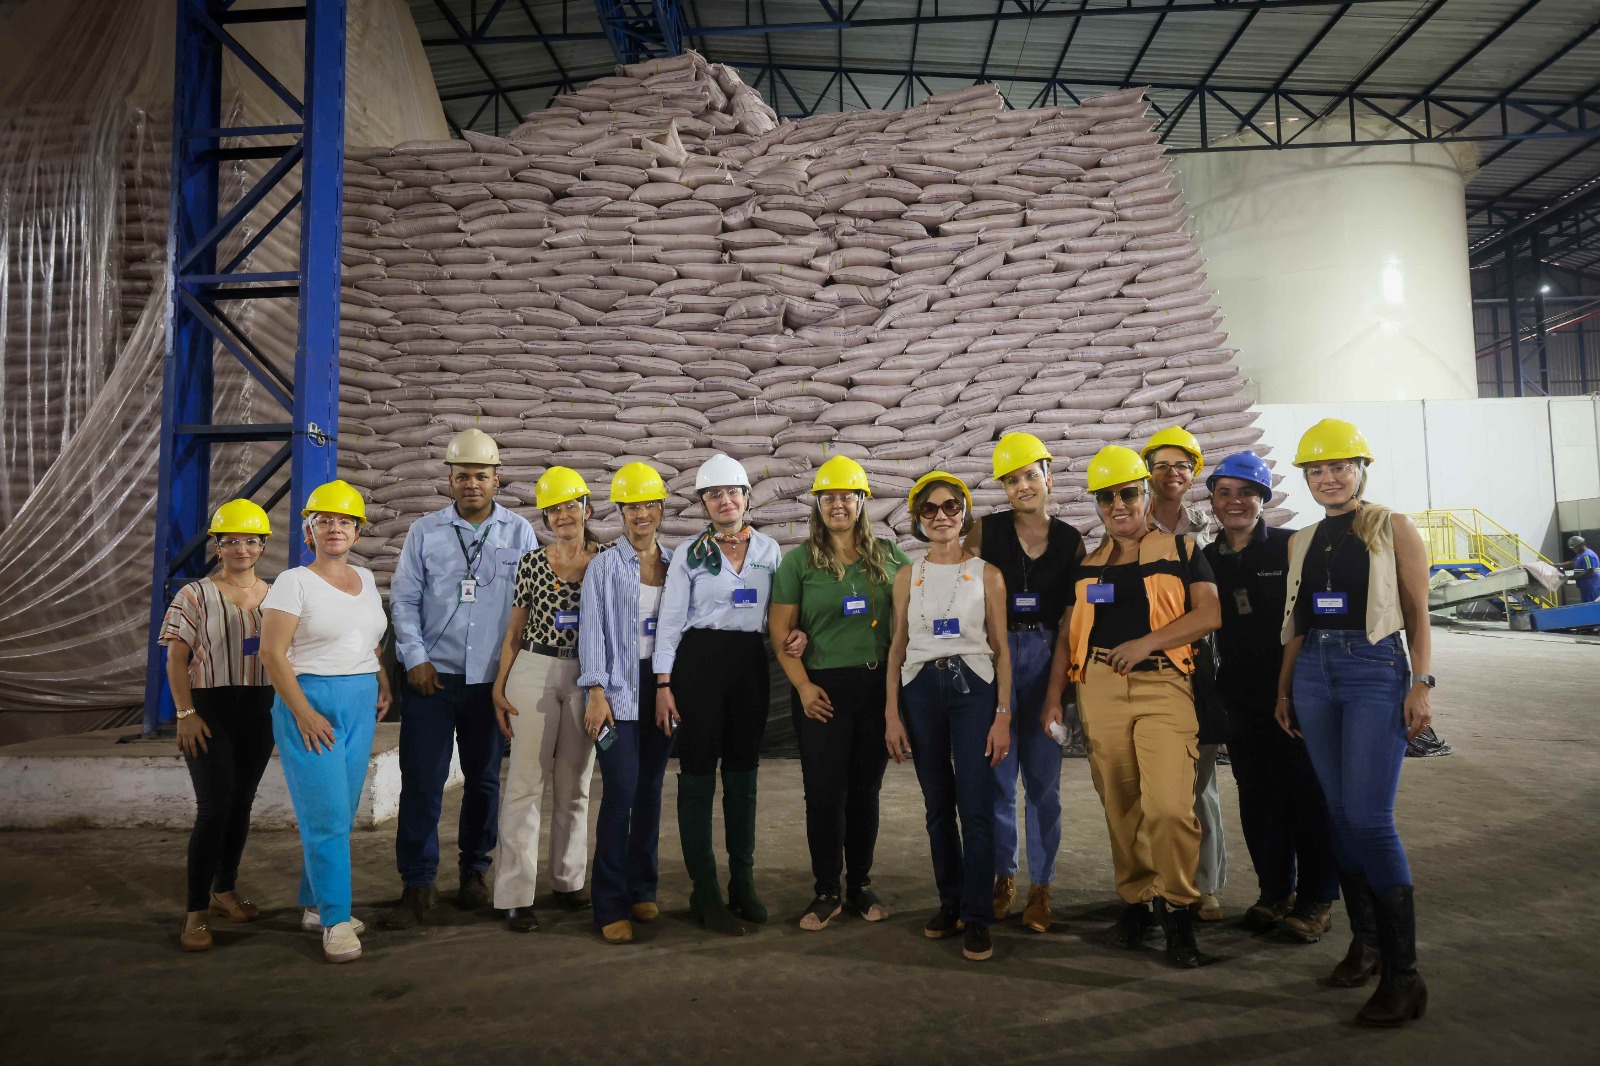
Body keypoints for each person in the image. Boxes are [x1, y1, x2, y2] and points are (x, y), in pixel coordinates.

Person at [1277, 419, 1434, 1026]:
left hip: (1375, 670)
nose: (1327, 478)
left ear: (1361, 469)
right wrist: (1285, 686)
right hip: (1315, 671)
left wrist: (1421, 684)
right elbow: (1296, 619)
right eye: (1315, 470)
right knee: (1339, 815)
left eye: (1339, 467)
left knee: (1370, 818)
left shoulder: (1393, 527)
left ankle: (1405, 975)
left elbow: (1419, 614)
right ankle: (1366, 944)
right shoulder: (1303, 539)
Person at [1041, 445, 1221, 969]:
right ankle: (1137, 902)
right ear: (1096, 504)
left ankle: (1180, 910)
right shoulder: (1089, 565)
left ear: (1145, 495)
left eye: (1127, 493)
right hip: (1098, 686)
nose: (1118, 505)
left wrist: (1147, 643)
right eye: (1106, 497)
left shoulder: (1184, 551)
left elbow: (1209, 614)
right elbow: (1065, 637)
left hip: (1165, 686)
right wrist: (1054, 697)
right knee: (1121, 806)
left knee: (1169, 806)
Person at [385, 429, 538, 929]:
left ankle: (474, 872)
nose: (472, 483)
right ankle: (418, 882)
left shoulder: (519, 533)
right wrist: (414, 658)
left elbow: (529, 606)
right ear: (449, 480)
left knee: (485, 782)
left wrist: (512, 675)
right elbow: (404, 601)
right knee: (423, 783)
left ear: (498, 479)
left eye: (481, 475)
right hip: (433, 679)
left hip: (492, 683)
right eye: (463, 475)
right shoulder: (424, 532)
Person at [1202, 452, 1339, 943]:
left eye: (1246, 493)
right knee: (1258, 797)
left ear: (1264, 498)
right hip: (1237, 693)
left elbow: (1308, 620)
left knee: (1307, 794)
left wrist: (1289, 689)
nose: (1235, 502)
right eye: (1224, 493)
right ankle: (1274, 892)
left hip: (1295, 689)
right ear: (1213, 503)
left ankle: (1318, 899)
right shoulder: (1208, 558)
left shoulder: (1289, 547)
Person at [770, 456, 911, 932]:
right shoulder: (799, 562)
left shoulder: (890, 556)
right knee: (825, 794)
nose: (838, 504)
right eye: (828, 496)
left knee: (865, 792)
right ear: (817, 504)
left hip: (874, 687)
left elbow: (917, 613)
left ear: (862, 502)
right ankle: (826, 888)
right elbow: (780, 633)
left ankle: (861, 884)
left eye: (847, 495)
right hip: (822, 692)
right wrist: (804, 686)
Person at [259, 480, 393, 965]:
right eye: (325, 520)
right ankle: (337, 920)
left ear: (358, 531)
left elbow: (367, 637)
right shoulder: (294, 582)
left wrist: (380, 678)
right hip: (309, 700)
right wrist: (303, 711)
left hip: (358, 699)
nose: (335, 528)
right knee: (327, 818)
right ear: (309, 529)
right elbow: (272, 654)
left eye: (345, 521)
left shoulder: (365, 580)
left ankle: (315, 904)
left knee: (340, 808)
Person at [654, 453, 787, 937]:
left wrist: (796, 636)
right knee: (697, 775)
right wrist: (664, 685)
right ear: (704, 503)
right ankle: (704, 890)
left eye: (733, 492)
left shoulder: (770, 551)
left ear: (747, 498)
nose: (725, 500)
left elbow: (781, 615)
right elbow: (669, 626)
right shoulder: (689, 554)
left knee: (742, 775)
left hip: (750, 667)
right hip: (698, 669)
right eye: (714, 494)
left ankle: (742, 883)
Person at [885, 471, 1013, 963]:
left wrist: (1002, 715)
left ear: (965, 512)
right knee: (937, 804)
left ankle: (978, 917)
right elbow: (897, 647)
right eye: (930, 509)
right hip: (920, 691)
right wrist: (892, 714)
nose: (941, 517)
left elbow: (1000, 650)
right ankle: (951, 903)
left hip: (973, 690)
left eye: (951, 507)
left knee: (975, 805)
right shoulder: (907, 575)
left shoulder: (988, 575)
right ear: (918, 519)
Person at [964, 432, 1083, 934]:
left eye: (1030, 475)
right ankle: (1003, 876)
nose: (1022, 486)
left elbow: (1073, 619)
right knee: (995, 777)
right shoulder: (984, 533)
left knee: (1043, 785)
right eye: (1011, 480)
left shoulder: (1071, 540)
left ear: (1048, 477)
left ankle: (1042, 886)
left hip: (1047, 659)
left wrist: (1057, 691)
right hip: (994, 657)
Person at [161, 499, 277, 953]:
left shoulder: (277, 597)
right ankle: (195, 913)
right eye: (231, 540)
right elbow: (176, 657)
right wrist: (186, 714)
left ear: (263, 546)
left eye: (250, 540)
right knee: (213, 808)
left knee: (242, 802)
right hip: (209, 710)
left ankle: (224, 889)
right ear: (217, 546)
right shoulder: (195, 594)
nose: (241, 548)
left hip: (260, 709)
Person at [492, 466, 604, 932]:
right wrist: (500, 685)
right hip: (534, 669)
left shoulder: (606, 561)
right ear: (546, 518)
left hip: (586, 672)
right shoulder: (532, 563)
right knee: (523, 784)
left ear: (587, 509)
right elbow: (515, 631)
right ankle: (514, 894)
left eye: (570, 506)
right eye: (554, 509)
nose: (563, 515)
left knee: (575, 784)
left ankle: (568, 881)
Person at [576, 463, 674, 945]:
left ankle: (642, 887)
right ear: (620, 510)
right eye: (632, 505)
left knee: (651, 790)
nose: (641, 513)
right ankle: (609, 903)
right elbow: (591, 630)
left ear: (661, 508)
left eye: (649, 504)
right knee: (621, 791)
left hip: (660, 686)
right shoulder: (603, 566)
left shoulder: (676, 566)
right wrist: (595, 691)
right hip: (614, 689)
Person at [1141, 425, 1227, 922]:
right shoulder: (1129, 521)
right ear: (1147, 474)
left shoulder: (1206, 528)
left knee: (1199, 782)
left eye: (1181, 465)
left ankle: (1205, 884)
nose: (1171, 474)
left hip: (1199, 663)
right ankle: (1157, 880)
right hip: (1150, 666)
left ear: (1193, 472)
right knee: (1155, 787)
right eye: (1161, 465)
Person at [1565, 535, 1600, 602]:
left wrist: (1575, 577)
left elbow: (1590, 570)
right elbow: (1572, 563)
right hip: (1585, 585)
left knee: (1590, 606)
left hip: (1590, 585)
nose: (1573, 549)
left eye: (1574, 547)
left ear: (1580, 545)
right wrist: (1554, 565)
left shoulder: (1587, 555)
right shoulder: (1581, 555)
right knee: (1587, 605)